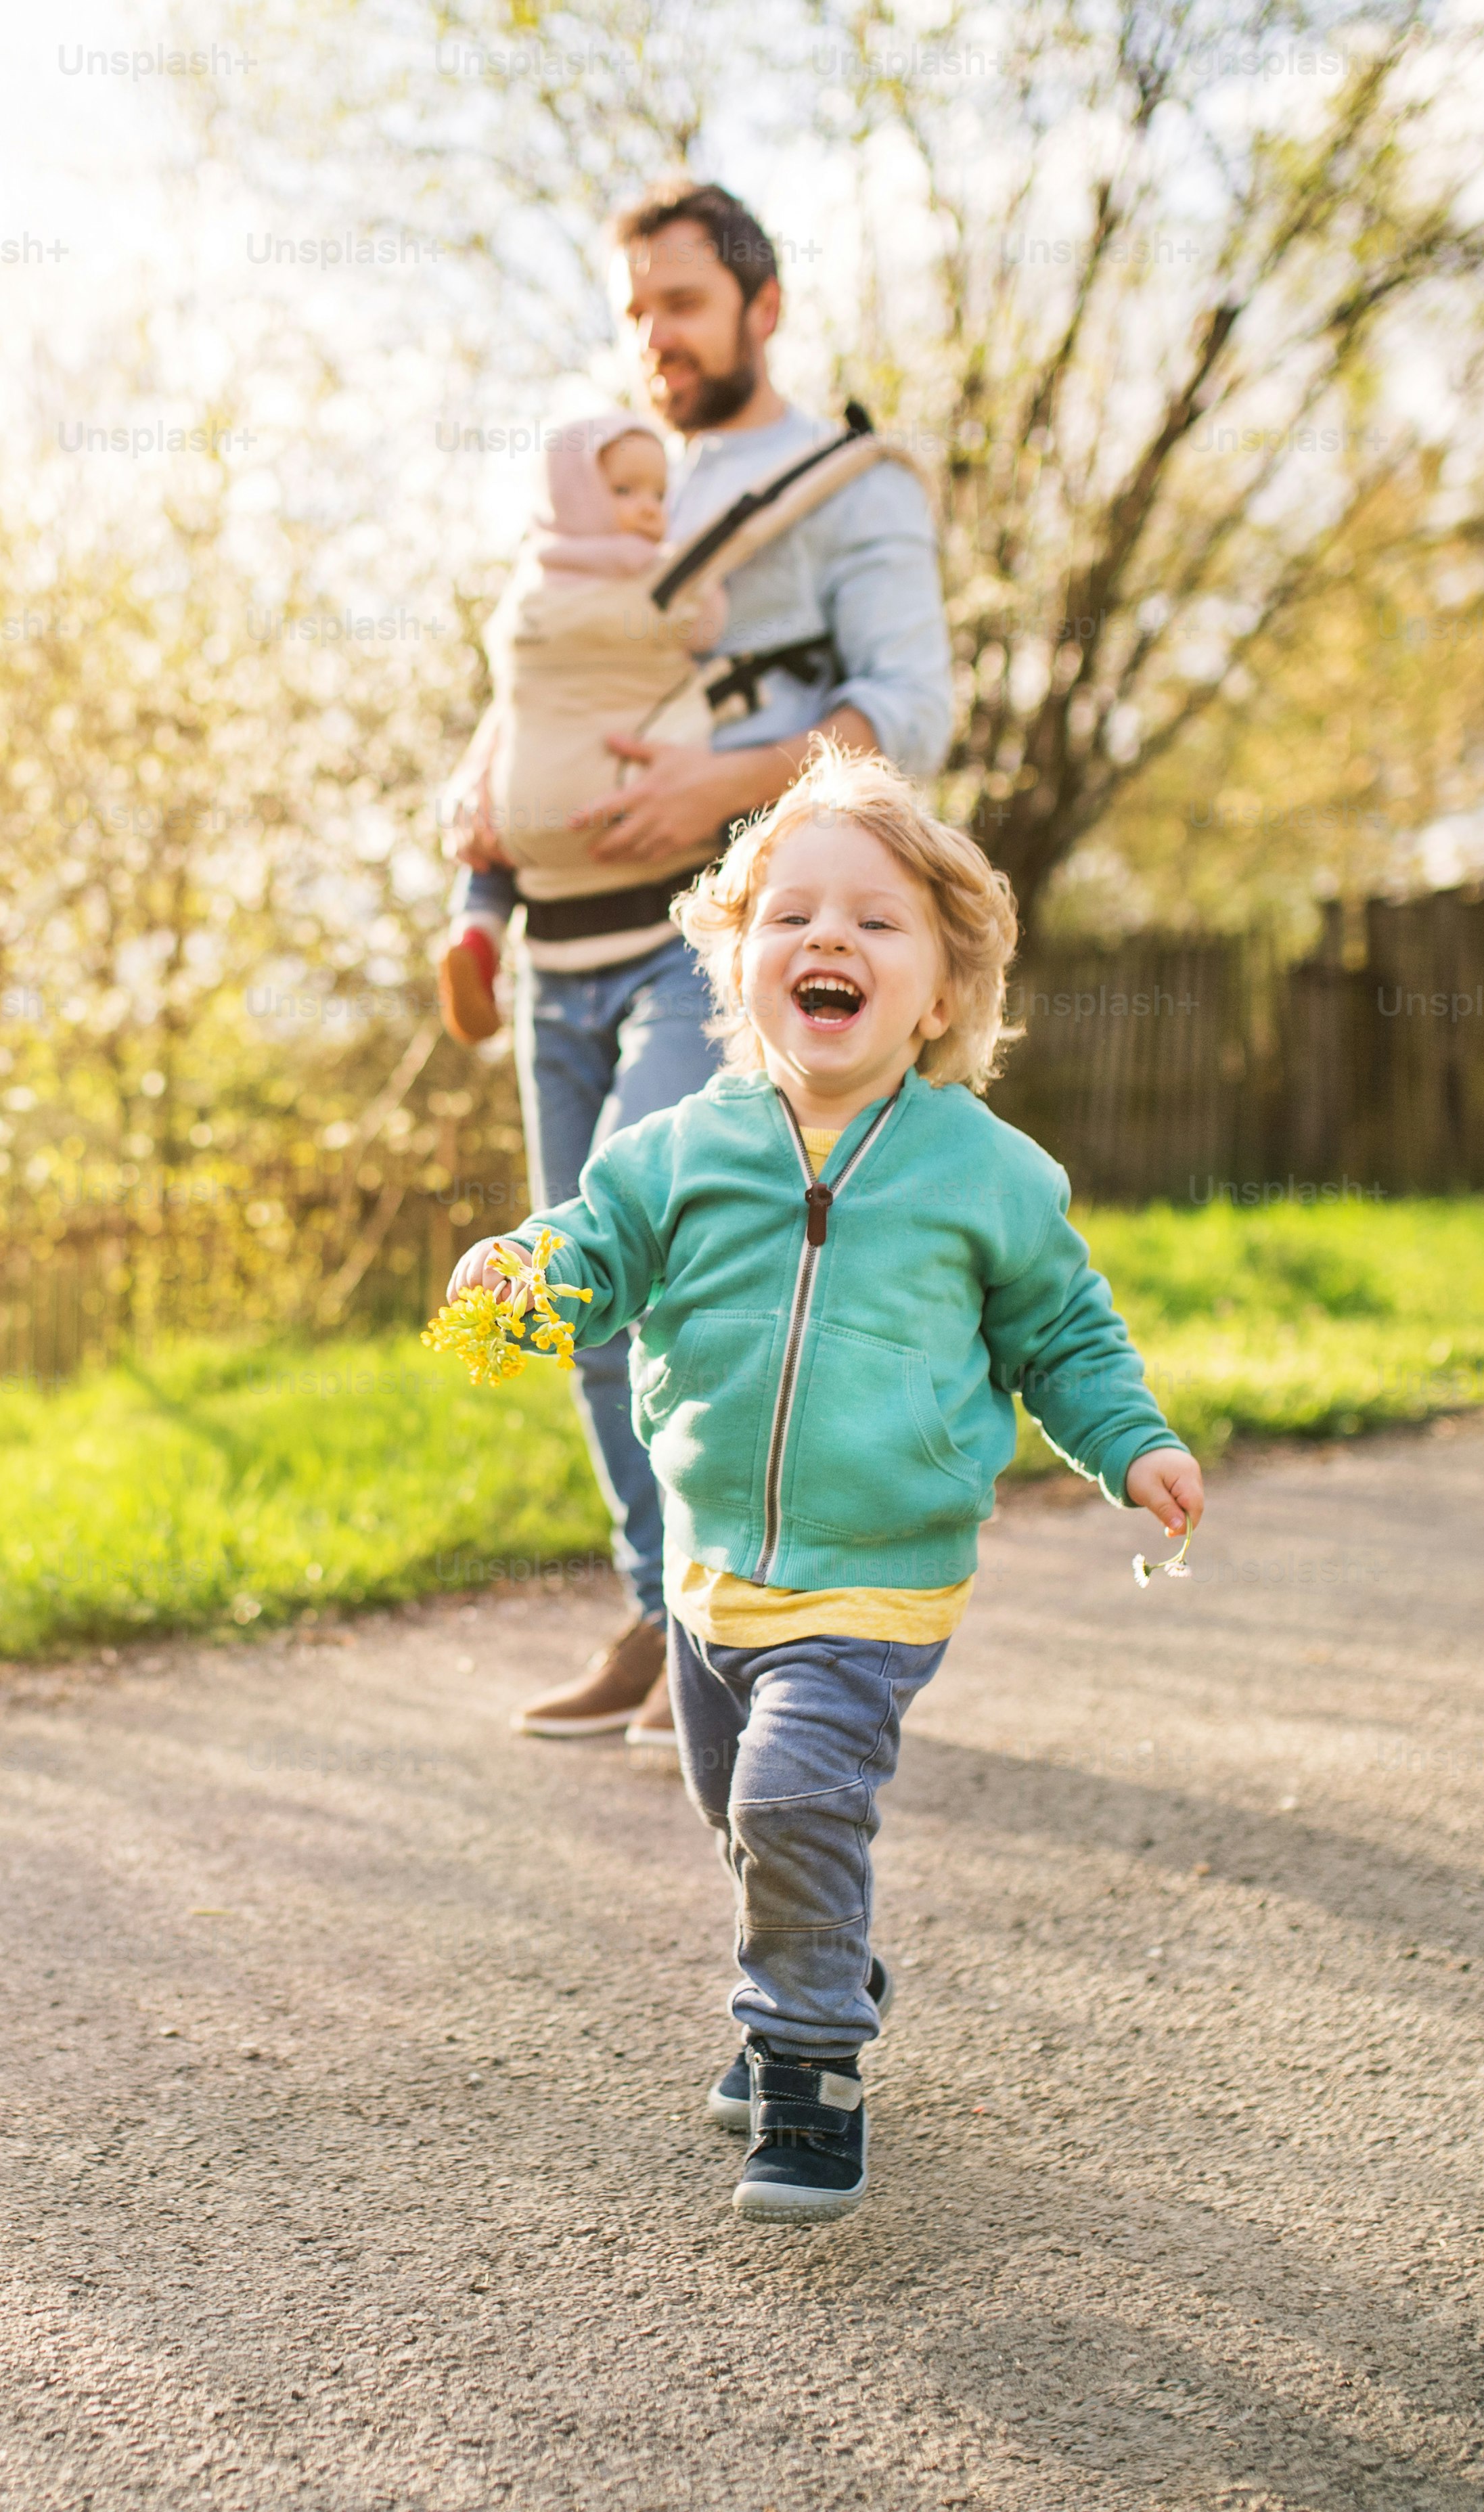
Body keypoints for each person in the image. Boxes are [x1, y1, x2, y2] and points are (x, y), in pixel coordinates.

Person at [443, 746, 1206, 2222]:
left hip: (880, 1575)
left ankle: (805, 2064)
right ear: (741, 968)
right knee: (742, 1807)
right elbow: (590, 1254)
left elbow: (1062, 1332)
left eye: (875, 920)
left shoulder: (983, 1171)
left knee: (798, 1795)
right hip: (711, 1575)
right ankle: (825, 1952)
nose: (829, 940)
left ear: (940, 990)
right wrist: (521, 1284)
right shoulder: (678, 1153)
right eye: (792, 915)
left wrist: (1135, 1443)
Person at [465, 179, 958, 1751]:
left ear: (762, 305)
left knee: (629, 1222)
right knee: (577, 1285)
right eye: (633, 312)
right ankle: (656, 1598)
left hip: (719, 937)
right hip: (562, 939)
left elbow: (907, 710)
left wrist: (713, 783)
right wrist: (476, 818)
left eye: (679, 304)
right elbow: (533, 685)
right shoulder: (611, 490)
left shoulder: (847, 489)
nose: (653, 341)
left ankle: (742, 1615)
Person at [430, 414, 730, 1046]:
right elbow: (706, 626)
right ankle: (476, 935)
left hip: (525, 822)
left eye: (658, 494)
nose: (648, 510)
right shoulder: (656, 576)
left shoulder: (528, 584)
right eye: (625, 492)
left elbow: (515, 699)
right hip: (614, 827)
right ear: (576, 497)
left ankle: (475, 933)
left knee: (486, 841)